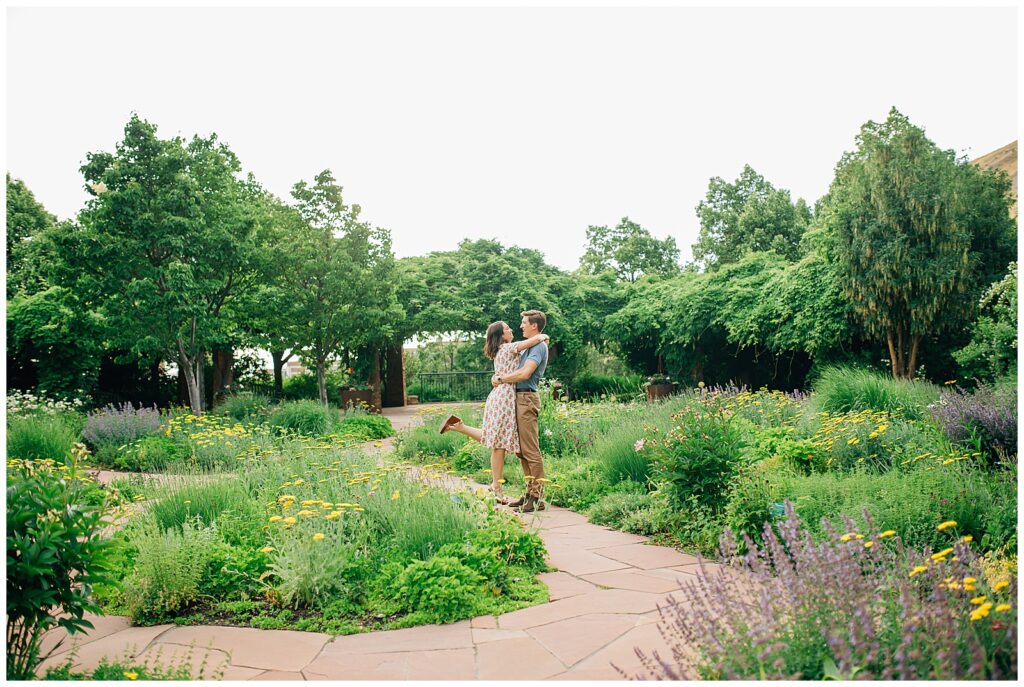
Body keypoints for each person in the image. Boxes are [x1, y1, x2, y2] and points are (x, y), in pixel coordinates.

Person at [439, 320, 548, 505]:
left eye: (521, 324)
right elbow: (530, 343)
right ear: (500, 336)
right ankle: (496, 487)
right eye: (507, 328)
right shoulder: (508, 348)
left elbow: (525, 361)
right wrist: (543, 336)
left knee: (496, 438)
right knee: (498, 443)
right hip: (505, 396)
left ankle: (460, 427)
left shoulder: (503, 350)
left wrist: (498, 377)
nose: (514, 328)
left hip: (500, 395)